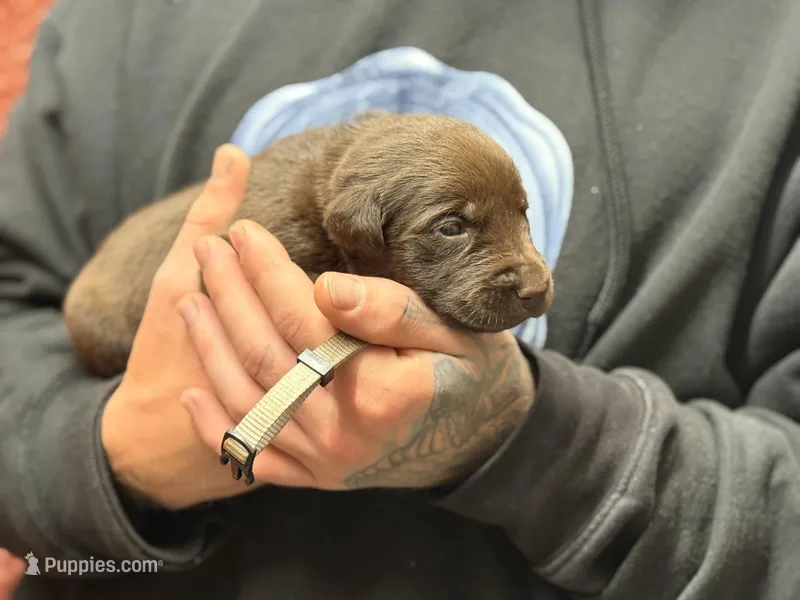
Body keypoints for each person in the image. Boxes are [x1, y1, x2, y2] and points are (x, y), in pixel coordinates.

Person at [1, 1, 799, 598]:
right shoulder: (122, 19)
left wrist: (538, 443)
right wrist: (112, 459)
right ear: (354, 235)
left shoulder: (772, 43)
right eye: (455, 229)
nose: (527, 273)